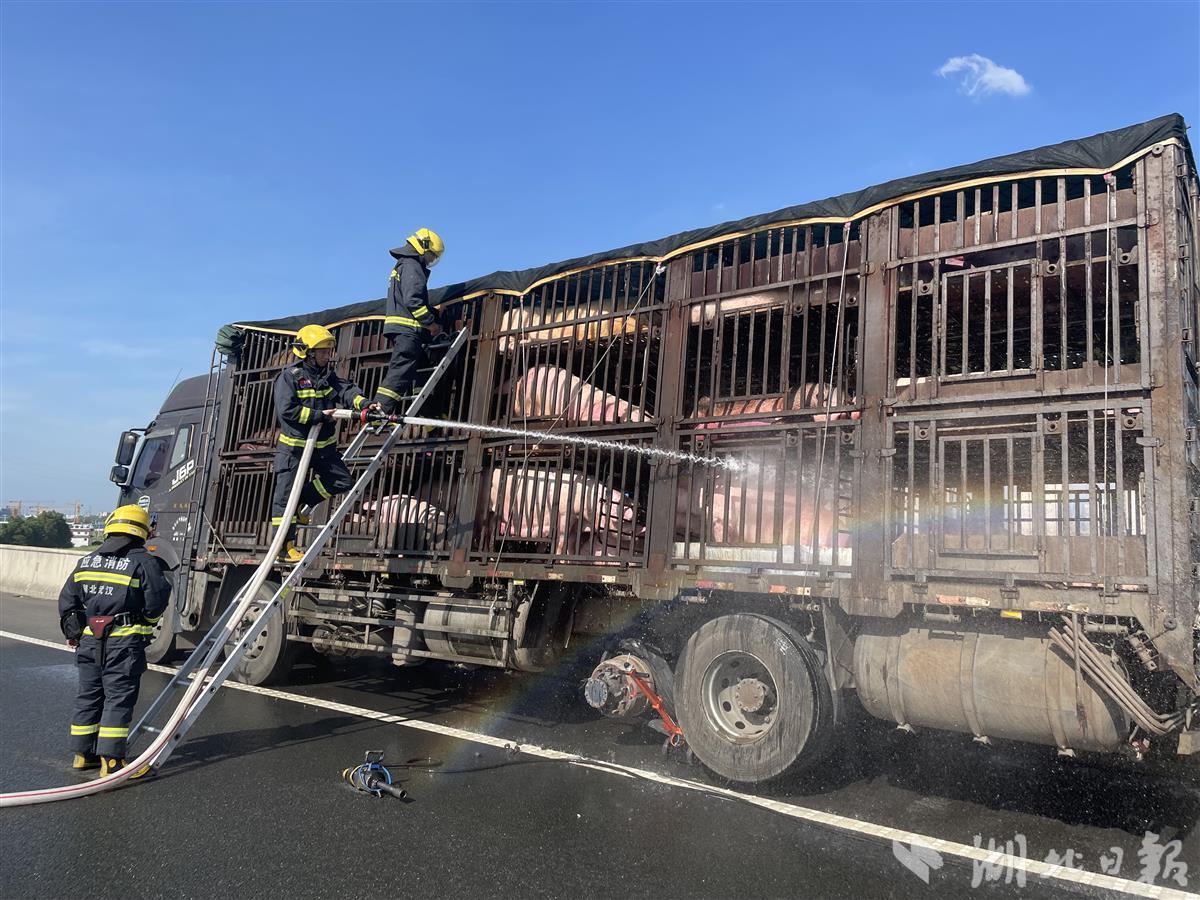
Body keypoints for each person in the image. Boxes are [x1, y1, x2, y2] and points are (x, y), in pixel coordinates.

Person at [58, 504, 170, 777]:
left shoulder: (86, 561)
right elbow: (156, 600)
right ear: (141, 530)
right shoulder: (144, 561)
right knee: (118, 699)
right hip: (124, 644)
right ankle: (112, 762)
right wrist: (146, 624)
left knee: (89, 695)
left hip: (89, 642)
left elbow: (67, 603)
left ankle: (83, 755)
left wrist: (75, 633)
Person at [273, 323, 375, 562]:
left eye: (328, 351)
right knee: (284, 501)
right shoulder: (289, 378)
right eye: (322, 351)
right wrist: (320, 416)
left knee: (342, 480)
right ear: (306, 352)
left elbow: (345, 390)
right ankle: (283, 547)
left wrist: (364, 403)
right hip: (295, 448)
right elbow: (287, 411)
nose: (327, 355)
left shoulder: (326, 376)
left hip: (322, 447)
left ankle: (302, 502)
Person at [374, 228, 445, 414]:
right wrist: (431, 322)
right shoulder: (413, 265)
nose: (431, 260)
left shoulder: (403, 264)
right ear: (423, 247)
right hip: (407, 328)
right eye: (431, 255)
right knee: (402, 369)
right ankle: (379, 410)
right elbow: (413, 299)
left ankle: (426, 412)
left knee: (421, 367)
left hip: (401, 328)